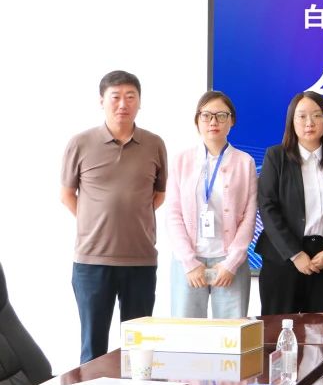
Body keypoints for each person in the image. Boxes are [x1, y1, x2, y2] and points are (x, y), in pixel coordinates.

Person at [60, 70, 167, 363]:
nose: (123, 104)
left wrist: (130, 217)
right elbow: (67, 194)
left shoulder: (154, 144)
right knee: (93, 349)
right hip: (92, 261)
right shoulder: (80, 143)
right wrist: (95, 220)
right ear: (101, 101)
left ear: (139, 102)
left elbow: (158, 195)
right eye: (115, 97)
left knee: (139, 351)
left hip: (140, 260)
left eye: (130, 97)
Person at [256, 91, 323, 315]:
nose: (309, 123)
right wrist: (295, 254)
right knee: (277, 330)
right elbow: (268, 208)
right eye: (302, 116)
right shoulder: (276, 156)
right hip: (282, 259)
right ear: (292, 121)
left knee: (320, 331)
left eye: (317, 115)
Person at [166, 91, 257, 318]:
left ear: (232, 121)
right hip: (188, 262)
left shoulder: (245, 162)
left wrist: (231, 263)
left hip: (229, 263)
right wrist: (189, 261)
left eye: (221, 115)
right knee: (186, 331)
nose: (213, 122)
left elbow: (249, 216)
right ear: (197, 120)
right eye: (206, 115)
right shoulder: (181, 160)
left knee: (230, 333)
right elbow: (173, 214)